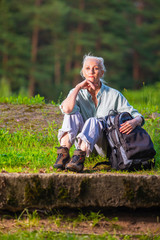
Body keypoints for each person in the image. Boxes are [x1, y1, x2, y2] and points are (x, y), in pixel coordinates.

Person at [54, 54, 144, 172]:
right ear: (83, 72)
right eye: (87, 68)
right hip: (81, 145)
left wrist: (134, 121)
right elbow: (66, 109)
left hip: (104, 147)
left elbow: (138, 116)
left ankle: (79, 160)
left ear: (101, 73)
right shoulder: (76, 92)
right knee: (71, 114)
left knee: (93, 121)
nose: (91, 71)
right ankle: (64, 155)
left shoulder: (114, 94)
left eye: (95, 68)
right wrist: (77, 88)